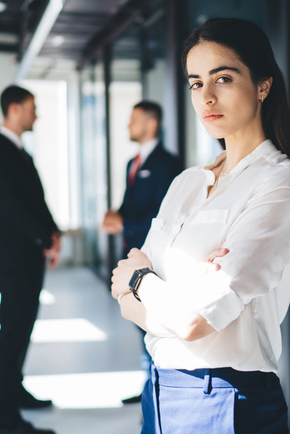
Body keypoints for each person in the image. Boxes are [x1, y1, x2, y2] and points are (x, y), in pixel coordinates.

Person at [111, 18, 290, 433]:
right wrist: (159, 286)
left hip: (226, 396)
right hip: (162, 390)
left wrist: (141, 279)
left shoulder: (279, 180)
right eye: (196, 82)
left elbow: (190, 319)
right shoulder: (186, 182)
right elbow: (124, 295)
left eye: (223, 77)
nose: (207, 96)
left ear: (263, 85)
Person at [0, 85, 60, 434]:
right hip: (15, 258)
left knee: (24, 328)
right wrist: (44, 238)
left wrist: (53, 231)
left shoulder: (19, 152)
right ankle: (7, 419)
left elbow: (35, 198)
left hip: (30, 254)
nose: (35, 114)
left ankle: (17, 390)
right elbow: (10, 208)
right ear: (14, 109)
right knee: (12, 332)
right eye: (31, 108)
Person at [101, 101, 182, 403]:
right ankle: (150, 387)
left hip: (155, 259)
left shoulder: (166, 163)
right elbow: (132, 207)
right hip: (133, 253)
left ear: (151, 124)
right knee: (141, 326)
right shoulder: (132, 163)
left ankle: (160, 389)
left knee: (156, 324)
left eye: (134, 120)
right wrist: (116, 216)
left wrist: (125, 221)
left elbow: (166, 214)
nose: (128, 125)